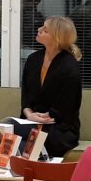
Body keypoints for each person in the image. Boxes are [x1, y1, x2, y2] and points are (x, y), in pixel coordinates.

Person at [20, 15, 83, 158]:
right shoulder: (33, 59)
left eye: (45, 30)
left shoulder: (69, 66)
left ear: (57, 38)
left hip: (58, 127)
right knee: (4, 132)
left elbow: (67, 106)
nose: (39, 29)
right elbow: (26, 97)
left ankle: (36, 172)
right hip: (31, 121)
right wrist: (29, 114)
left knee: (27, 144)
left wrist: (42, 118)